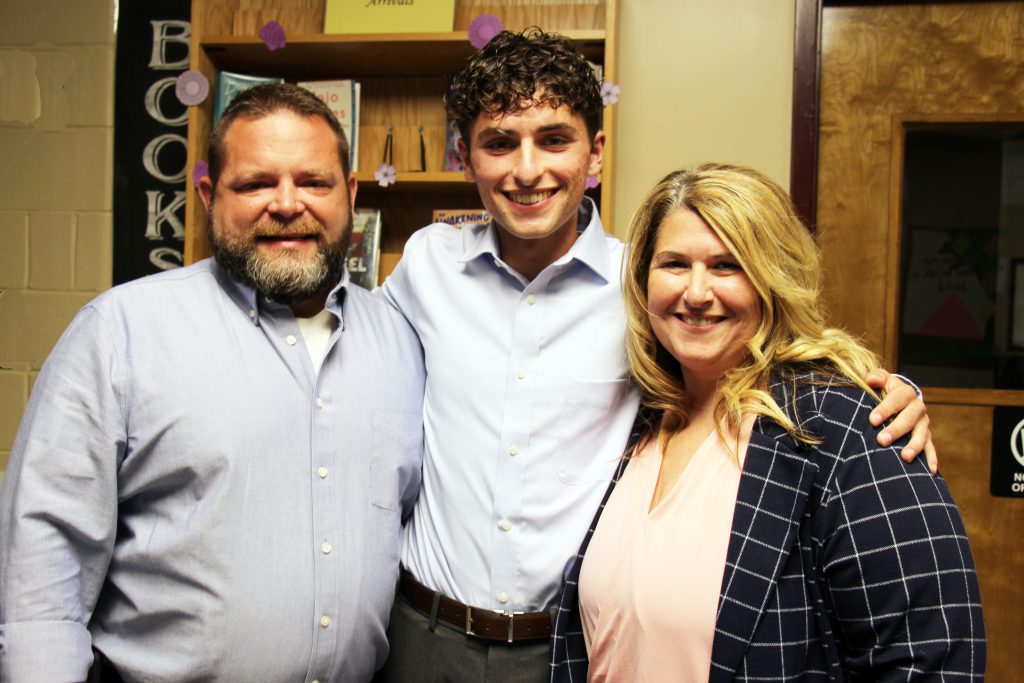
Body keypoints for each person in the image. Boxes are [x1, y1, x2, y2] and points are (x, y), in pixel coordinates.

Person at [375, 29, 934, 682]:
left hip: (563, 643)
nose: (527, 169)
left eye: (554, 139)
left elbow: (765, 354)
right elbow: (353, 352)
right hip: (424, 629)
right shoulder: (426, 263)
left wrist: (892, 393)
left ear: (596, 151)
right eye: (499, 143)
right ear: (465, 156)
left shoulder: (649, 289)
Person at [0, 84, 425, 683]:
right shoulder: (122, 333)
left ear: (350, 195)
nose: (286, 204)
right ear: (207, 194)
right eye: (254, 184)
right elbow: (42, 574)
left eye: (314, 182)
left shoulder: (401, 341)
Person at [550, 163, 985, 681]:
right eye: (673, 263)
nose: (695, 291)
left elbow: (929, 658)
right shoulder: (641, 418)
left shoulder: (846, 428)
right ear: (644, 280)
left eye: (726, 265)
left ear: (771, 278)